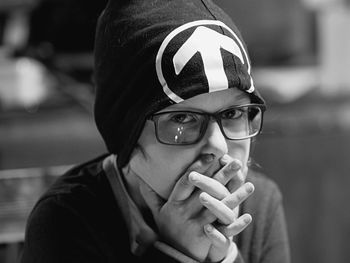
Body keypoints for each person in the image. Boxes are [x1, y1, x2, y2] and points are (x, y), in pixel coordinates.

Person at [20, 0, 290, 262]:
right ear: (127, 134)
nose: (218, 145)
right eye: (182, 118)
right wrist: (177, 252)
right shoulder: (67, 220)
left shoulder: (259, 203)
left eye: (232, 114)